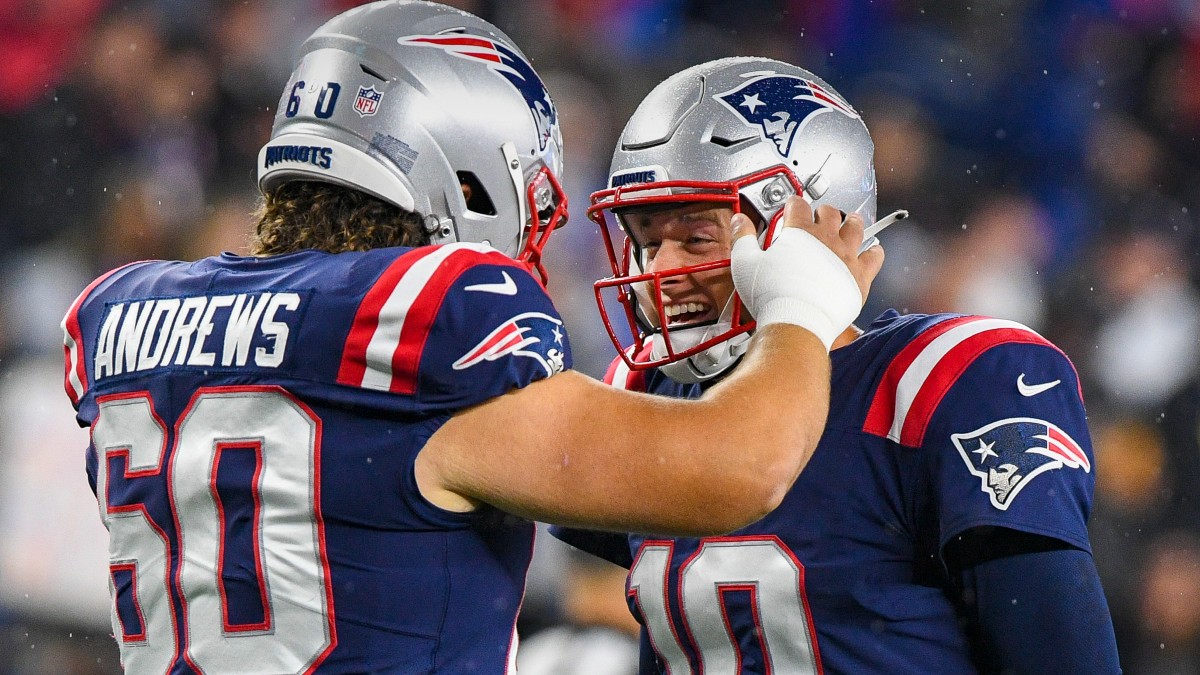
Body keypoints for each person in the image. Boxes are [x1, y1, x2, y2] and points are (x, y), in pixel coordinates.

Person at [59, 4, 882, 674]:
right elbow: (743, 467)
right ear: (466, 175)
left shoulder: (126, 314)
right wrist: (802, 307)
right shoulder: (428, 311)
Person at [552, 57, 1121, 673]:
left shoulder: (942, 382)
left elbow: (1063, 653)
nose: (655, 270)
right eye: (644, 238)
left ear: (814, 226)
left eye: (695, 239)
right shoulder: (645, 390)